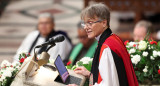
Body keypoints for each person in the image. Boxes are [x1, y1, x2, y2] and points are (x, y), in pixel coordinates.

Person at [68, 3, 138, 86]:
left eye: (90, 23)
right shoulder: (112, 38)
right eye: (85, 23)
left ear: (104, 23)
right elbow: (111, 78)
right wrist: (89, 74)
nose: (85, 27)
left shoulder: (106, 48)